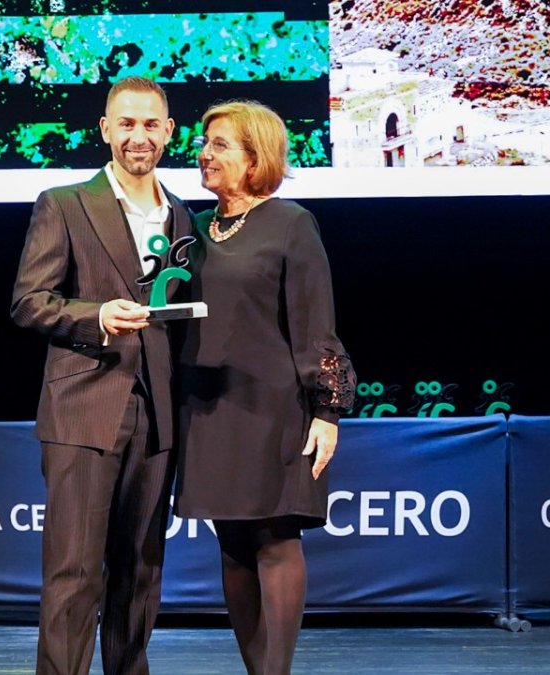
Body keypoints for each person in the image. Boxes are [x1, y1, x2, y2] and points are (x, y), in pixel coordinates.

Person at [10, 76, 193, 675]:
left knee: (141, 571)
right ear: (105, 129)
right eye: (127, 123)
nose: (139, 136)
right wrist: (96, 317)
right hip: (85, 406)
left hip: (156, 412)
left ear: (169, 132)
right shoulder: (64, 203)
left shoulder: (183, 217)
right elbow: (29, 302)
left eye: (150, 124)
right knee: (74, 572)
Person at [174, 100, 356, 675]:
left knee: (275, 539)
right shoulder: (191, 229)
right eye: (204, 142)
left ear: (256, 159)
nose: (204, 153)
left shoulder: (291, 223)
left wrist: (327, 410)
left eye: (219, 144)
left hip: (274, 408)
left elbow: (314, 322)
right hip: (209, 408)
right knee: (232, 544)